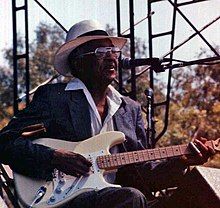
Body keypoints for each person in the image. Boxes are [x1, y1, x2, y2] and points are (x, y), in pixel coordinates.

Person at [0, 20, 215, 208]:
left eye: (113, 51)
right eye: (100, 53)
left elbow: (145, 174)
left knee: (201, 192)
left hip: (120, 198)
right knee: (130, 198)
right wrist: (55, 157)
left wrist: (183, 161)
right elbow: (5, 143)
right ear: (77, 61)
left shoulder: (129, 109)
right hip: (64, 200)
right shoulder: (54, 98)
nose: (111, 57)